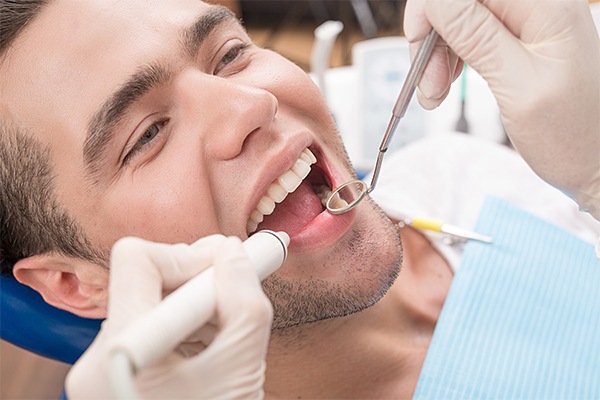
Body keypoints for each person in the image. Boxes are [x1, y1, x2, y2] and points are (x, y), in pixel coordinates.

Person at [0, 0, 598, 398]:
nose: (250, 105)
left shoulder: (456, 176)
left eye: (230, 55)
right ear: (75, 284)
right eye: (148, 135)